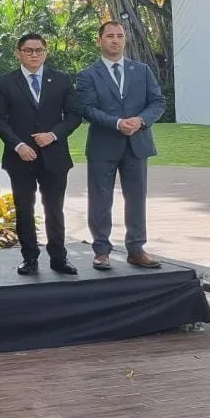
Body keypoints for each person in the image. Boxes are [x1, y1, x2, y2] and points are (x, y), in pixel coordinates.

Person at [76, 21, 166, 271]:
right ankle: (102, 251)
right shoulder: (88, 75)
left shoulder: (142, 70)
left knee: (136, 198)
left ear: (125, 39)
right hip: (103, 146)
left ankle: (136, 249)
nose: (115, 40)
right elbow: (87, 109)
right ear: (100, 40)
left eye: (119, 36)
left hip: (137, 144)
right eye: (110, 36)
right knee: (100, 199)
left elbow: (157, 102)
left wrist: (141, 120)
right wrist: (116, 123)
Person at [0, 33, 83, 275]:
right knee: (24, 208)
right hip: (20, 158)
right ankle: (29, 258)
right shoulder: (5, 82)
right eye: (29, 50)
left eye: (39, 50)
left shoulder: (61, 80)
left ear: (46, 52)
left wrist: (52, 135)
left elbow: (74, 116)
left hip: (54, 156)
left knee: (54, 208)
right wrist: (19, 145)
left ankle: (59, 258)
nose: (34, 55)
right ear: (19, 52)